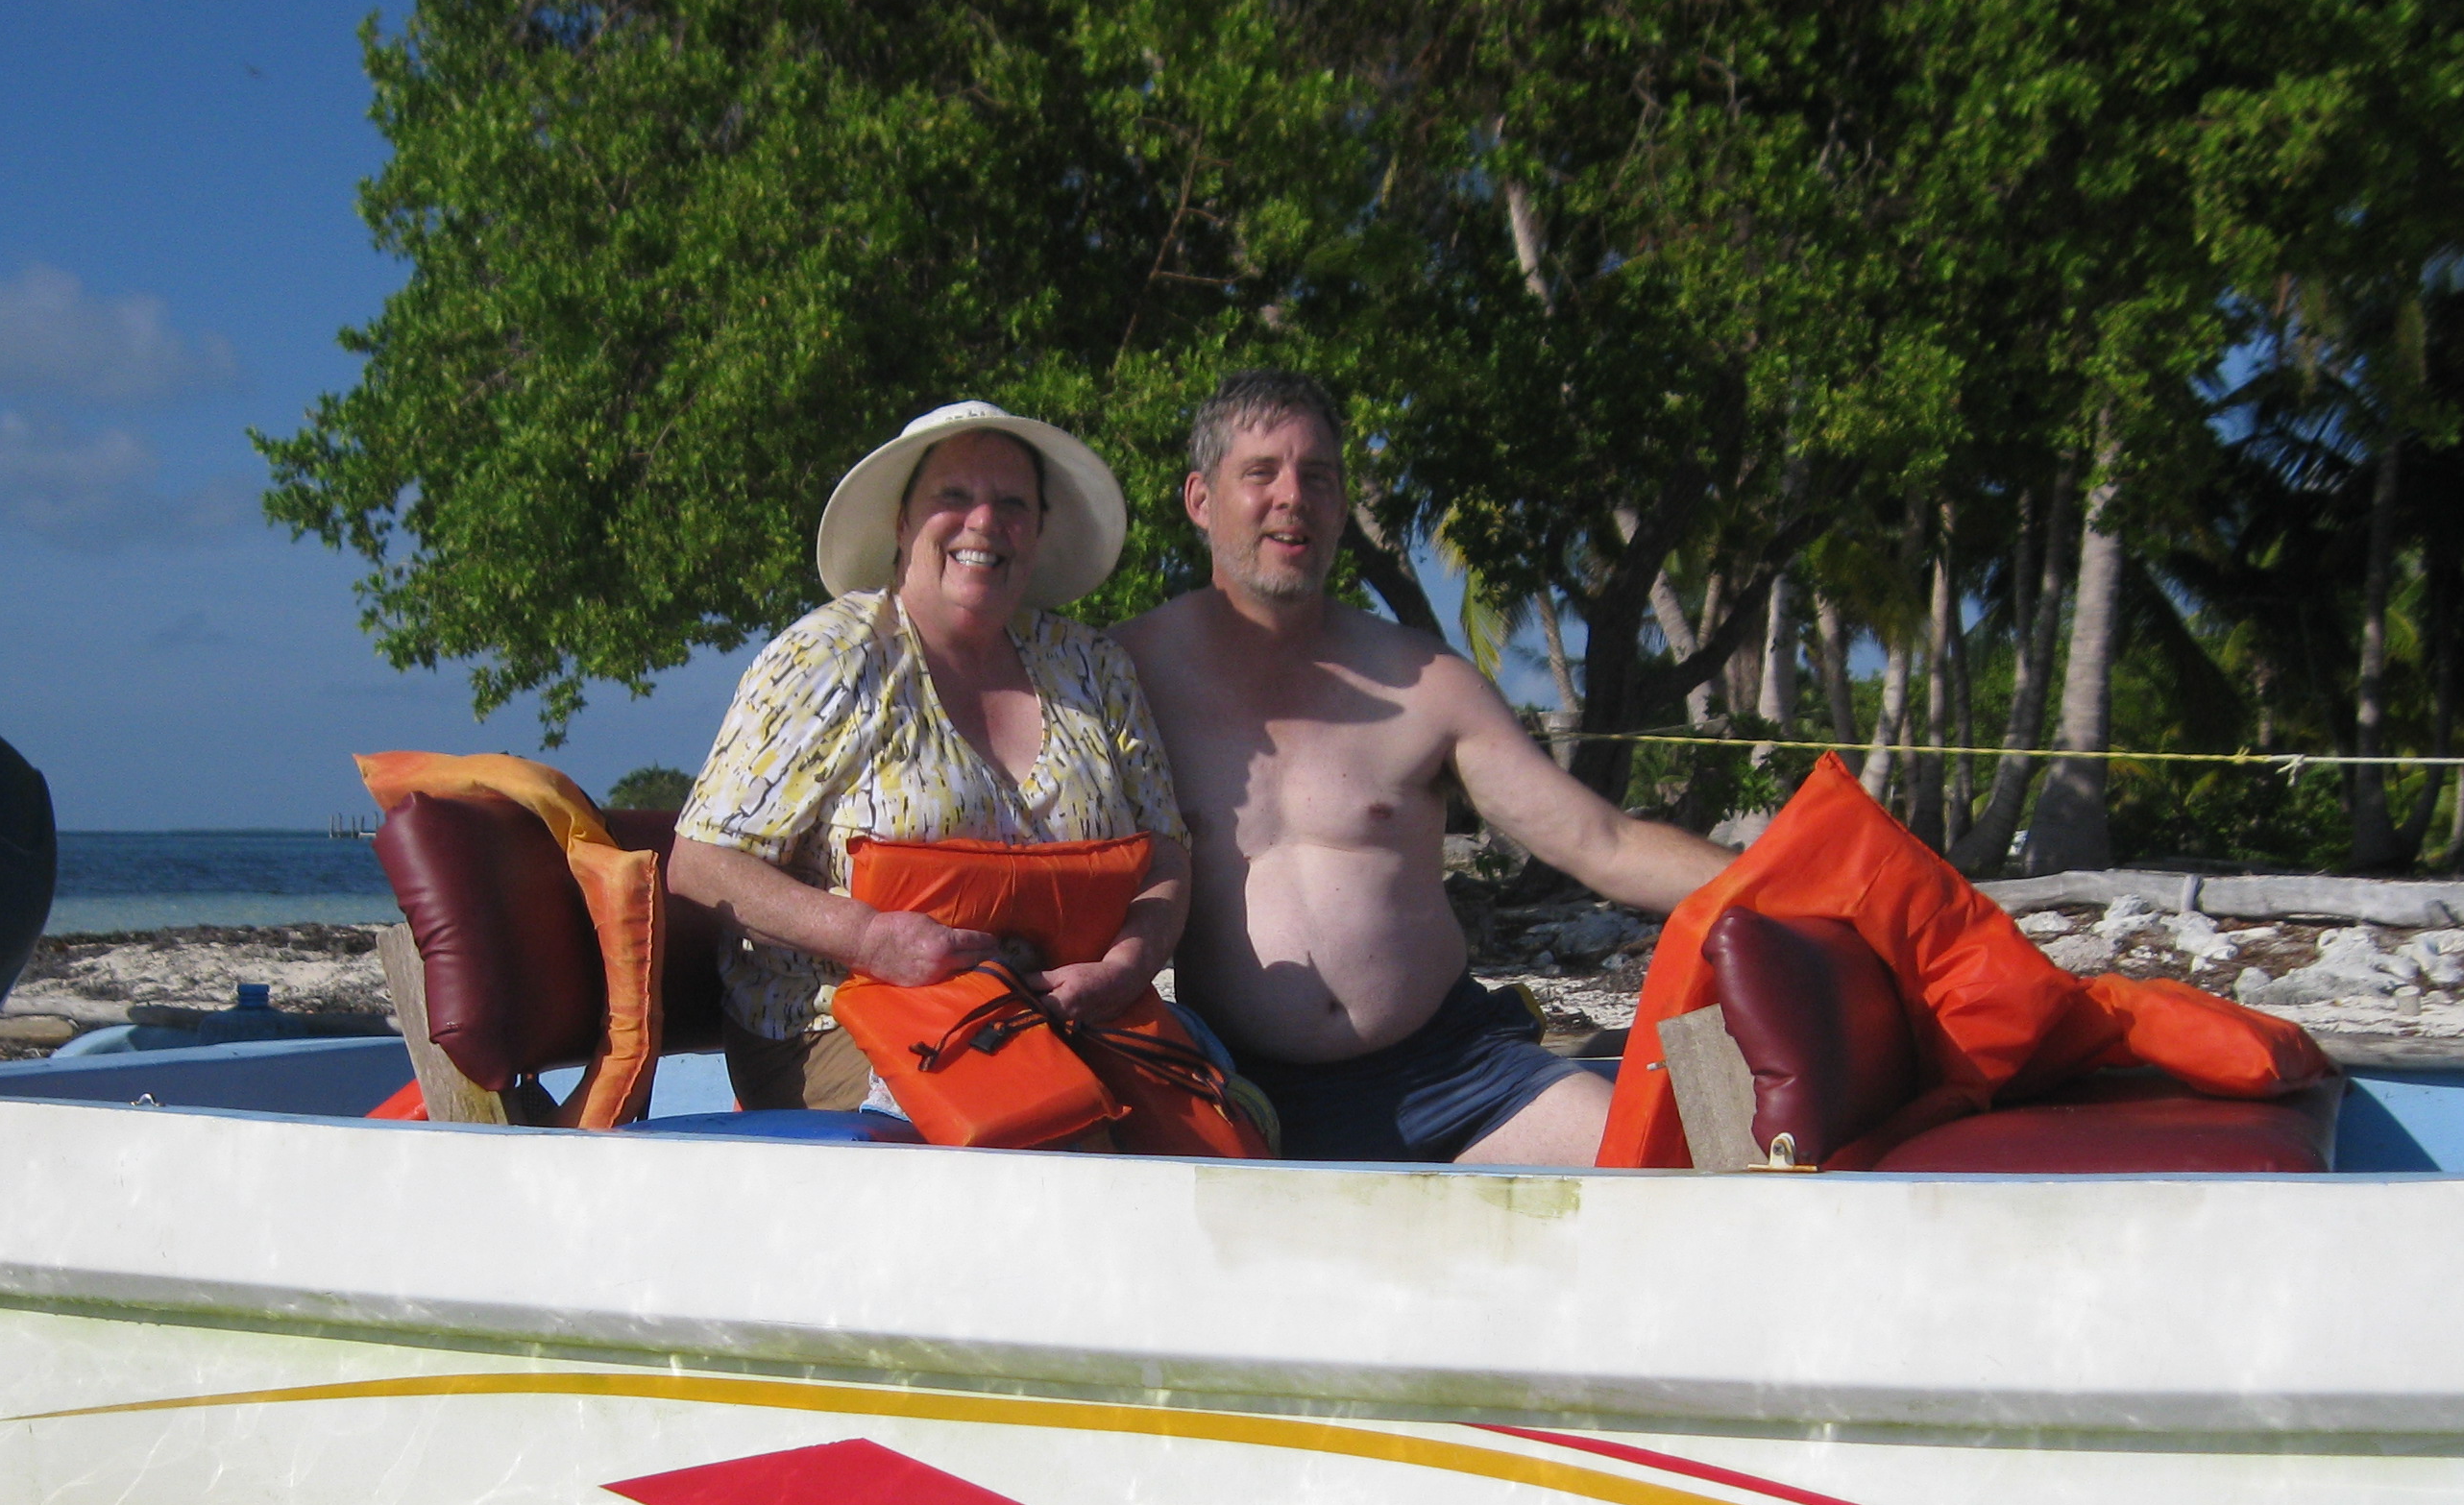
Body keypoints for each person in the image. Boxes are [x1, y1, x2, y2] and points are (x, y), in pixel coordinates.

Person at [1116, 371, 1732, 1167]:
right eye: (1261, 472)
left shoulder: (1427, 681)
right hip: (1240, 1096)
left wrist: (1794, 891)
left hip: (1460, 1077)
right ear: (1201, 500)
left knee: (1658, 1180)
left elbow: (1599, 840)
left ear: (1341, 507)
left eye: (1320, 477)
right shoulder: (1123, 677)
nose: (1293, 497)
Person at [671, 401, 1189, 1112]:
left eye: (1012, 503)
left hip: (1069, 1016)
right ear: (903, 522)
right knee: (1041, 1140)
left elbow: (1165, 853)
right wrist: (868, 937)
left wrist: (1127, 966)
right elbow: (699, 864)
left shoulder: (1094, 667)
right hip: (843, 1016)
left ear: (1037, 531)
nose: (984, 521)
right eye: (954, 496)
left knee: (1226, 1128)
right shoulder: (829, 657)